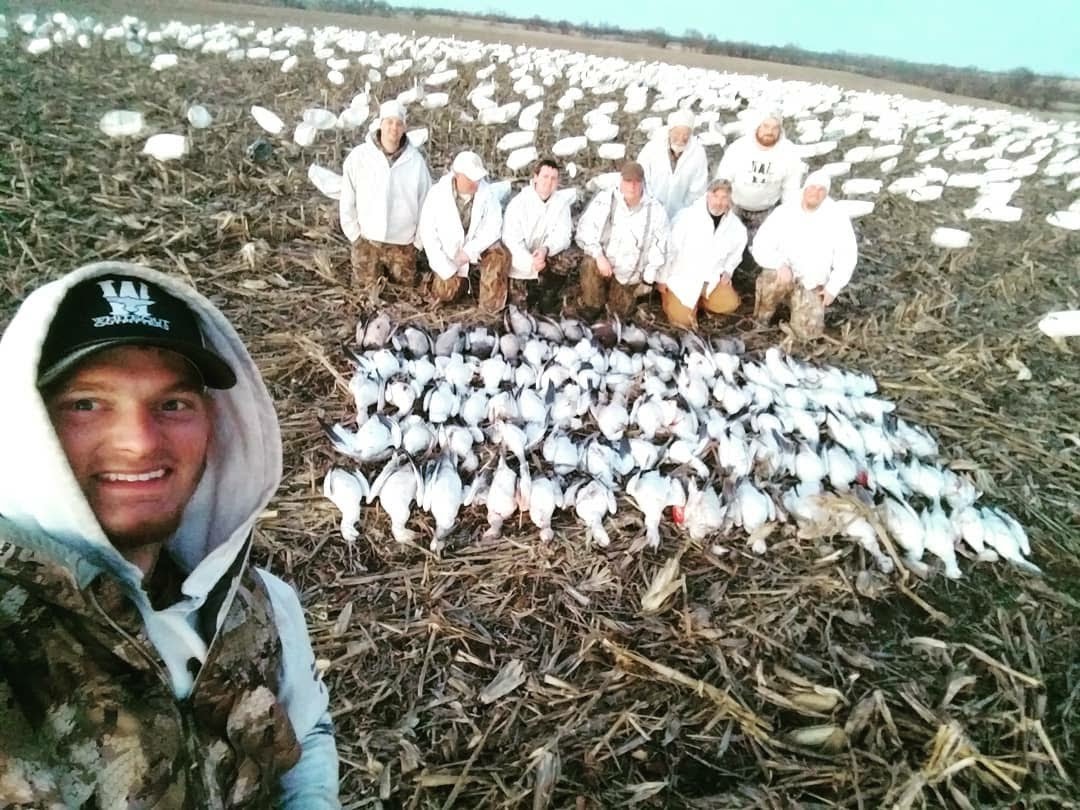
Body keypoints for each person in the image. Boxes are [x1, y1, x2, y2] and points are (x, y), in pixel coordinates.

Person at [0, 263, 339, 808]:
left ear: (215, 421)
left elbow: (307, 735)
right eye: (86, 403)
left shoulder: (260, 605)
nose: (138, 442)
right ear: (25, 423)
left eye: (172, 404)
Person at [750, 171, 858, 339]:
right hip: (783, 275)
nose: (815, 192)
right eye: (812, 187)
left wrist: (833, 287)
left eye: (821, 189)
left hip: (811, 282)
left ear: (827, 194)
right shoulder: (784, 212)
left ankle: (796, 328)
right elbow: (760, 245)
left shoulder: (837, 218)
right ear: (804, 189)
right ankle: (762, 318)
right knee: (770, 281)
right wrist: (779, 264)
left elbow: (847, 256)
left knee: (807, 335)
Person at [340, 100, 432, 288]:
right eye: (389, 122)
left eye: (399, 123)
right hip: (367, 239)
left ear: (404, 127)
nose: (394, 128)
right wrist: (355, 236)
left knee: (405, 291)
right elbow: (347, 200)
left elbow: (426, 205)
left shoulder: (416, 162)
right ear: (380, 124)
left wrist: (417, 244)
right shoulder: (359, 157)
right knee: (366, 290)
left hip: (403, 243)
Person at [574, 161, 670, 319]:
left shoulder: (656, 210)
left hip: (630, 273)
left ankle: (616, 309)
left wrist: (648, 277)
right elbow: (585, 229)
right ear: (620, 181)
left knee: (618, 316)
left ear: (643, 183)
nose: (632, 186)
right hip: (604, 263)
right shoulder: (605, 199)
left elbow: (661, 246)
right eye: (628, 181)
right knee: (589, 263)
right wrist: (599, 256)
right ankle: (593, 305)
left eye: (636, 182)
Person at [419, 150, 510, 313]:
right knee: (445, 293)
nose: (475, 183)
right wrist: (446, 267)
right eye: (470, 178)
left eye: (477, 178)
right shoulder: (437, 195)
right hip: (449, 258)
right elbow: (428, 235)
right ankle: (467, 285)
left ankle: (490, 309)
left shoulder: (487, 194)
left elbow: (493, 227)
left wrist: (469, 251)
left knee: (499, 254)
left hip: (476, 253)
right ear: (456, 175)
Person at [656, 178, 747, 329]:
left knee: (730, 304)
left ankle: (700, 300)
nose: (719, 202)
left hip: (710, 279)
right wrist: (662, 279)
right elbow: (669, 250)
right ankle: (671, 299)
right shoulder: (686, 218)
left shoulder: (736, 227)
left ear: (729, 199)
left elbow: (735, 253)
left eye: (724, 198)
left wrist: (728, 271)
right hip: (682, 279)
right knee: (682, 322)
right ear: (707, 195)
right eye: (715, 196)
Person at [713, 110, 804, 244]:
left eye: (775, 128)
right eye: (766, 126)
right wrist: (720, 205)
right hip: (735, 208)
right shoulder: (739, 148)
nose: (770, 131)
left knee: (759, 246)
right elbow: (723, 179)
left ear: (781, 130)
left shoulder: (789, 153)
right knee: (728, 243)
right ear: (757, 126)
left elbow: (791, 188)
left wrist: (789, 215)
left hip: (765, 212)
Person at [501, 158, 576, 312]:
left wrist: (545, 249)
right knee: (519, 309)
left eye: (553, 178)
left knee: (571, 256)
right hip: (521, 262)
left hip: (545, 256)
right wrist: (531, 262)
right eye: (545, 177)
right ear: (535, 177)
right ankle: (530, 290)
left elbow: (563, 234)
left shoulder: (561, 203)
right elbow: (511, 242)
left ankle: (549, 293)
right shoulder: (518, 204)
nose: (549, 182)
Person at [637, 108, 709, 221]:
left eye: (686, 134)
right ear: (670, 131)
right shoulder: (652, 148)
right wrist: (650, 204)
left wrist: (683, 213)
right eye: (677, 133)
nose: (681, 138)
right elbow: (641, 176)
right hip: (650, 210)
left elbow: (697, 190)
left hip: (681, 215)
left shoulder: (698, 154)